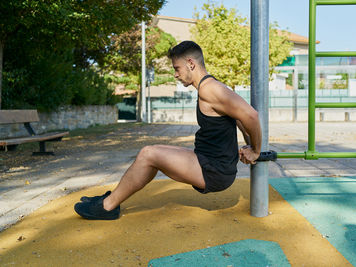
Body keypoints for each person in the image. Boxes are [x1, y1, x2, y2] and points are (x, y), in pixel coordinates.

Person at [74, 41, 262, 220]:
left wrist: (256, 150)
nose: (175, 74)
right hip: (208, 161)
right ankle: (112, 199)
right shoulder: (210, 86)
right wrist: (249, 144)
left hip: (214, 170)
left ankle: (107, 207)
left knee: (149, 154)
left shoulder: (209, 89)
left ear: (190, 63)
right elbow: (237, 116)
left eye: (176, 68)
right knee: (149, 154)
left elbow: (251, 116)